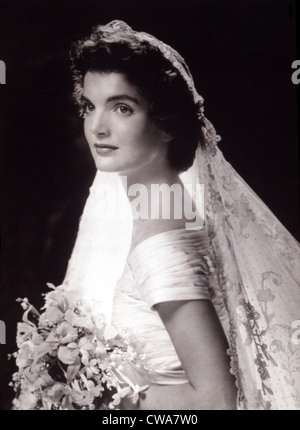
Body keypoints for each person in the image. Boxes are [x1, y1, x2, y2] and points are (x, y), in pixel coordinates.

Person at [63, 20, 300, 410]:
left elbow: (218, 401)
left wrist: (103, 394)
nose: (96, 127)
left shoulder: (162, 239)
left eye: (122, 107)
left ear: (167, 123)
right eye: (90, 106)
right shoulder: (167, 204)